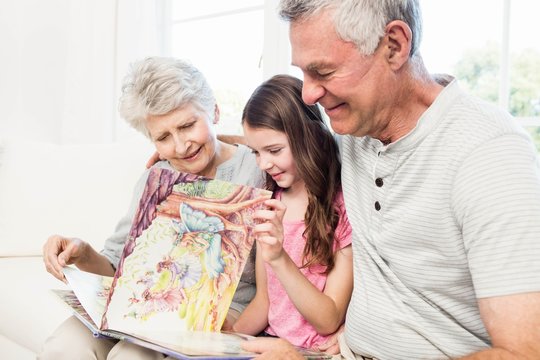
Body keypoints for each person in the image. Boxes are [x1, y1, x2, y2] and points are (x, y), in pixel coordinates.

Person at [243, 0, 540, 359]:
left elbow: (523, 352)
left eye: (323, 71)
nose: (309, 94)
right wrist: (196, 151)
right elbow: (286, 143)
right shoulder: (353, 131)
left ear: (395, 46)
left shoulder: (488, 156)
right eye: (304, 73)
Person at [39, 56, 264, 360]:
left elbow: (312, 144)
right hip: (146, 303)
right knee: (65, 343)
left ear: (214, 110)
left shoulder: (259, 166)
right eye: (163, 137)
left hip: (225, 313)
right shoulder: (155, 177)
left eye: (187, 125)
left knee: (132, 356)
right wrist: (82, 251)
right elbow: (116, 266)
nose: (181, 146)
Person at [226, 74, 353, 351]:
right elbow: (265, 303)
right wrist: (224, 338)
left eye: (273, 150)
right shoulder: (270, 203)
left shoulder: (341, 210)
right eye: (256, 152)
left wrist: (279, 258)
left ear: (307, 137)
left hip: (310, 351)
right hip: (269, 343)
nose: (264, 163)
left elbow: (328, 320)